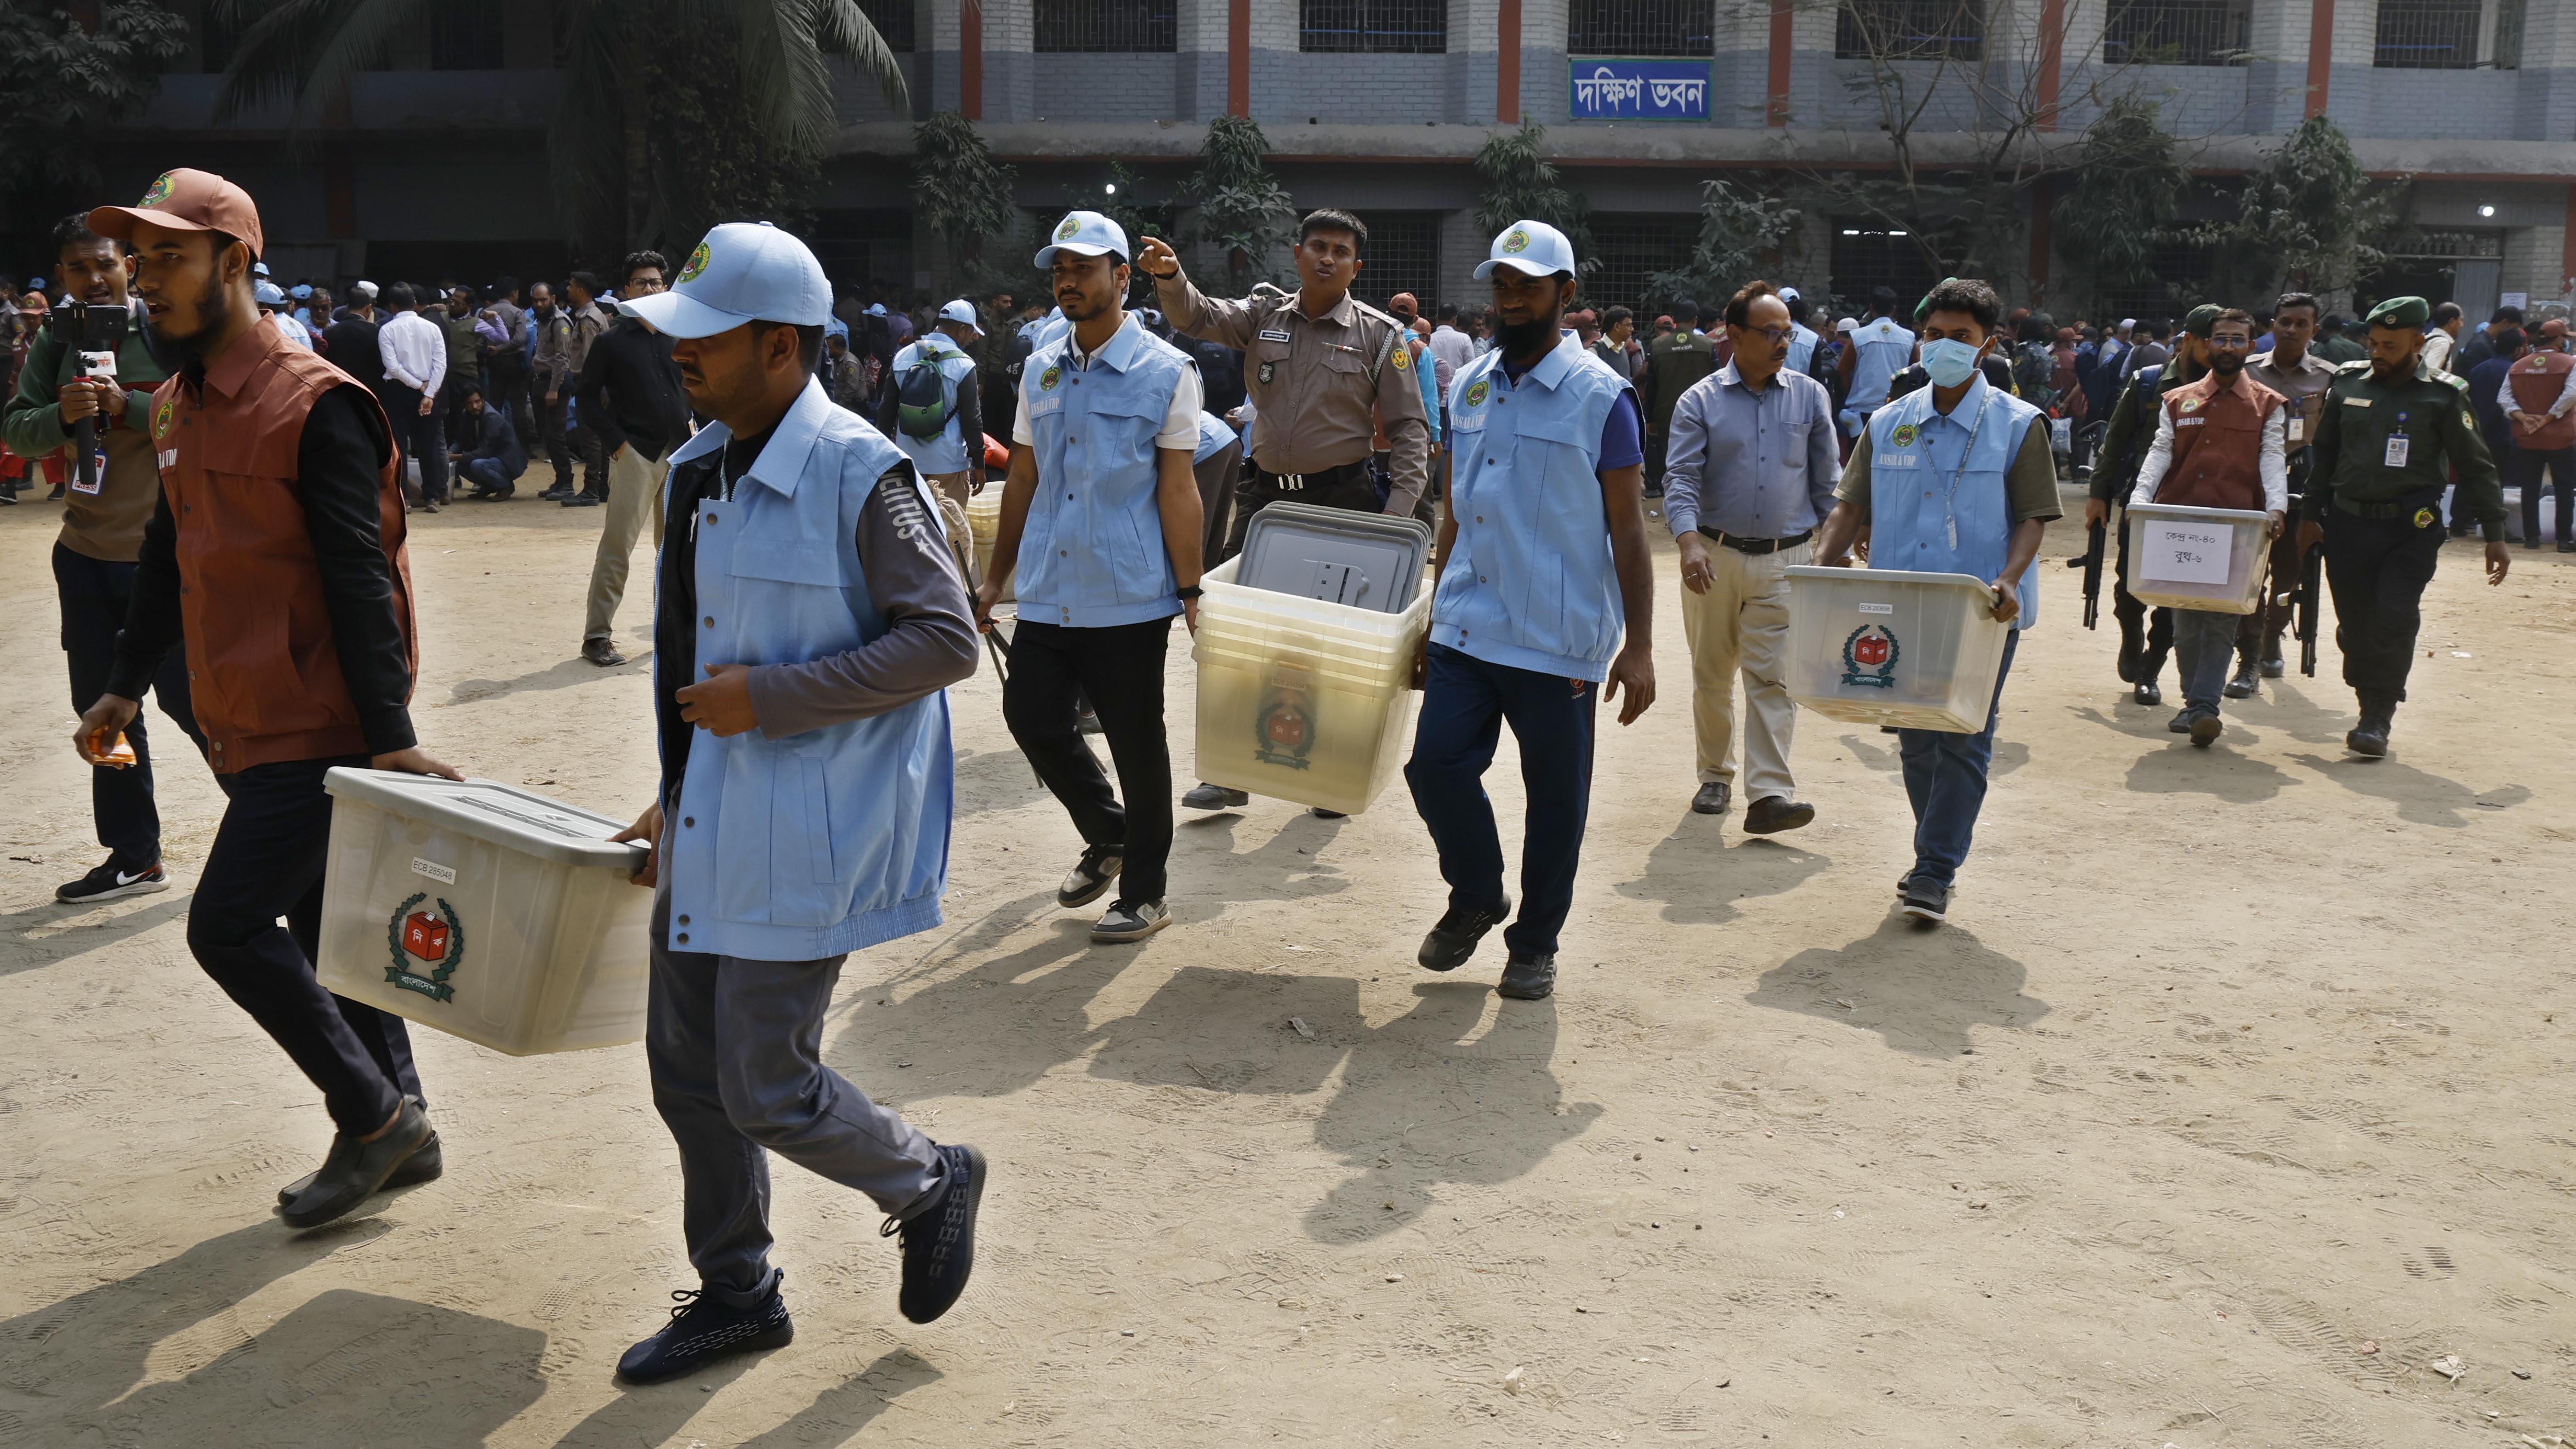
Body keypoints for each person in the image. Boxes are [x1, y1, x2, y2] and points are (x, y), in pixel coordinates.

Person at [598, 221, 986, 1384]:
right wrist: (670, 793)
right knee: (684, 1071)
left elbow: (945, 639)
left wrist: (768, 697)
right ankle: (737, 1289)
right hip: (712, 818)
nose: (683, 356)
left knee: (764, 1078)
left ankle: (927, 1176)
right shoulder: (694, 466)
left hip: (809, 827)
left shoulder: (861, 470)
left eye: (706, 340)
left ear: (781, 346)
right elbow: (686, 664)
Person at [73, 168, 457, 1228]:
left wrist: (388, 739)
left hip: (317, 721)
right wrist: (120, 684)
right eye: (139, 263)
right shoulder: (181, 405)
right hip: (243, 713)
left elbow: (361, 578)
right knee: (327, 921)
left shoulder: (315, 404)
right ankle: (403, 1117)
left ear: (236, 262)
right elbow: (166, 551)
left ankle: (373, 1117)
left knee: (229, 925)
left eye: (169, 260)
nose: (146, 283)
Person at [1406, 220, 1653, 1002]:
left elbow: (1627, 527)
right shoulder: (1468, 383)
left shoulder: (1601, 398)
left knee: (1555, 803)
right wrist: (1432, 608)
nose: (1510, 300)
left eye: (1528, 287)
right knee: (1434, 766)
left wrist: (1639, 645)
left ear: (1564, 294)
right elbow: (1453, 507)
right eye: (1502, 286)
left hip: (1555, 641)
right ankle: (1477, 891)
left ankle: (1534, 942)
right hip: (1467, 626)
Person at [1143, 208, 1429, 814]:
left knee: (1331, 641)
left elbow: (1408, 432)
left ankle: (1326, 772)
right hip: (1265, 499)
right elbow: (1197, 315)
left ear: (1357, 265)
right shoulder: (1262, 316)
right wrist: (1170, 275)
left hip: (1341, 502)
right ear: (1296, 253)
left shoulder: (1382, 337)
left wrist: (1396, 521)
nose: (1327, 258)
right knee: (1238, 632)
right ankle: (1230, 771)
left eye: (1341, 251)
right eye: (1317, 246)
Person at [979, 212, 1204, 942]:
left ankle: (1143, 892)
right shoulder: (1040, 369)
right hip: (1050, 586)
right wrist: (995, 579)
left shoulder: (1165, 372)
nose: (1066, 281)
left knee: (1139, 742)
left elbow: (1177, 489)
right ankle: (1108, 832)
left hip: (1128, 594)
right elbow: (1022, 478)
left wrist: (1192, 589)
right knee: (1031, 717)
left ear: (1120, 277)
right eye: (1057, 270)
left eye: (1082, 268)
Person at [1811, 277, 2056, 926]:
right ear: (1921, 341)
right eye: (1936, 335)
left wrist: (2008, 579)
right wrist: (1822, 563)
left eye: (1962, 337)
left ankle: (1934, 868)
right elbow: (1849, 505)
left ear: (1987, 345)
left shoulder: (2017, 423)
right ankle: (1933, 854)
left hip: (1980, 613)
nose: (1946, 346)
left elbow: (2033, 516)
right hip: (1902, 607)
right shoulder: (1890, 422)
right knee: (1916, 740)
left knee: (1964, 735)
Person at [5, 212, 204, 902]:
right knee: (103, 713)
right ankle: (134, 856)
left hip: (169, 562)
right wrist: (59, 417)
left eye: (106, 265)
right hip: (84, 555)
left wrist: (132, 406)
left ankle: (284, 830)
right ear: (60, 275)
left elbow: (215, 418)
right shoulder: (55, 343)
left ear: (132, 266)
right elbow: (17, 432)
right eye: (78, 268)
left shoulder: (168, 330)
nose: (94, 279)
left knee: (198, 705)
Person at [2299, 295, 2509, 757]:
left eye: (2389, 346)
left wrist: (2494, 533)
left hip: (2409, 529)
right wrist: (2309, 516)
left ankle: (2377, 717)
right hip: (2349, 526)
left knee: (2393, 619)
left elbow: (2476, 466)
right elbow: (2325, 456)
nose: (2377, 353)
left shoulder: (2443, 394)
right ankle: (2365, 691)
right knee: (2355, 628)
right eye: (2373, 343)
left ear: (2417, 342)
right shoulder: (2348, 384)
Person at [1660, 279, 1834, 830]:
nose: (1782, 342)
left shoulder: (1810, 396)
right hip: (1713, 557)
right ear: (1733, 335)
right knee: (1712, 672)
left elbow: (1828, 481)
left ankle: (1769, 795)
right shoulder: (1700, 401)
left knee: (1773, 677)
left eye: (1786, 332)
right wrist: (1687, 541)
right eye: (1769, 332)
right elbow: (1681, 478)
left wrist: (1837, 539)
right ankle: (1715, 775)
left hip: (1788, 559)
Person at [2125, 309, 2288, 745]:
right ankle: (2192, 701)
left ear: (2250, 347)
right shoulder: (2178, 400)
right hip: (2179, 524)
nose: (2228, 348)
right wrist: (2140, 498)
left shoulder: (2267, 405)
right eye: (2221, 339)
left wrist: (2277, 508)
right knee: (2183, 620)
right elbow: (2161, 450)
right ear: (2205, 344)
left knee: (2218, 620)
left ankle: (2202, 706)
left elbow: (2271, 458)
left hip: (2237, 528)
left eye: (2238, 340)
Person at [2087, 307, 2215, 705]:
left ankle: (2150, 667)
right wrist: (2098, 494)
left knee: (2174, 598)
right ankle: (2130, 637)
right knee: (2130, 585)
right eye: (2208, 341)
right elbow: (2116, 440)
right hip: (2143, 503)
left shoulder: (2228, 389)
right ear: (2188, 340)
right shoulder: (2148, 383)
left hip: (2198, 507)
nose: (2217, 350)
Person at [571, 250, 689, 667]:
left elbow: (697, 389)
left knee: (673, 549)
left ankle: (671, 633)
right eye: (642, 282)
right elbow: (586, 399)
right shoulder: (611, 342)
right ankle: (597, 637)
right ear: (626, 291)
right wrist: (618, 444)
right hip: (636, 453)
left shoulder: (680, 335)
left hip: (680, 454)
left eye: (657, 282)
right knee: (618, 547)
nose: (652, 288)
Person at [2241, 292, 2341, 681]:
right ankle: (2247, 646)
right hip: (2249, 483)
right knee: (2246, 570)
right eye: (2285, 322)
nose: (2292, 330)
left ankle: (2270, 636)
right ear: (2272, 326)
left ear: (2313, 330)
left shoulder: (2329, 377)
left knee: (2289, 572)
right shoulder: (2247, 372)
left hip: (2301, 482)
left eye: (2302, 324)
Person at [878, 298, 985, 517]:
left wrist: (883, 456)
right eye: (971, 333)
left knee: (913, 533)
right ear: (962, 329)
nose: (972, 339)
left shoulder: (902, 357)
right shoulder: (964, 365)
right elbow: (972, 420)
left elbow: (886, 409)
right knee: (950, 533)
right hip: (948, 465)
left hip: (908, 463)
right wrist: (979, 465)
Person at [2501, 316, 2575, 551]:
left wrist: (2523, 418)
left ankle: (2531, 538)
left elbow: (2503, 397)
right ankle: (2564, 540)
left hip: (2527, 436)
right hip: (2561, 438)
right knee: (2564, 488)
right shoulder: (2571, 364)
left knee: (2529, 488)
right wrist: (2549, 417)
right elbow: (2571, 394)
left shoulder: (2518, 365)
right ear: (2560, 339)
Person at [374, 283, 448, 509]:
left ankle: (403, 498)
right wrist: (428, 393)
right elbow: (441, 364)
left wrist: (418, 387)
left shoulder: (387, 329)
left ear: (392, 306)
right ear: (414, 303)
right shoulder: (432, 327)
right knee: (428, 444)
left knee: (399, 446)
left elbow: (393, 367)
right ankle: (433, 497)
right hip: (429, 391)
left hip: (398, 391)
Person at [1644, 303, 1718, 493]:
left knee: (1672, 463)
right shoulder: (1707, 346)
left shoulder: (1658, 346)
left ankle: (1674, 504)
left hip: (1667, 415)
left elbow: (1651, 386)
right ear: (1695, 320)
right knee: (1700, 461)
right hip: (1703, 414)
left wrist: (1650, 418)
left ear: (1674, 320)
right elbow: (1717, 385)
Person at [1835, 286, 1913, 440]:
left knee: (1859, 461)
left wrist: (1854, 392)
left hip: (1863, 410)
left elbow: (1842, 370)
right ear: (1894, 310)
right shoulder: (1909, 338)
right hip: (1897, 408)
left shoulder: (1858, 336)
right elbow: (1916, 370)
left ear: (1871, 308)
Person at [561, 270, 611, 502]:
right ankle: (602, 487)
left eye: (571, 285)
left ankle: (592, 488)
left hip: (591, 383)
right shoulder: (592, 315)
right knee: (598, 436)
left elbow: (592, 357)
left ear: (581, 290)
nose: (568, 289)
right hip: (596, 383)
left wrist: (588, 387)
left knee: (590, 436)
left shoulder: (588, 320)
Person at [526, 280, 575, 497]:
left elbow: (562, 359)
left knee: (556, 435)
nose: (539, 303)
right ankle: (559, 480)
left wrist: (554, 389)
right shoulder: (543, 321)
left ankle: (567, 483)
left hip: (555, 384)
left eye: (543, 299)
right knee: (547, 434)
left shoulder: (560, 322)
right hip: (541, 382)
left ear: (553, 299)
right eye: (536, 300)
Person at [446, 385, 527, 499]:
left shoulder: (492, 417)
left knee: (477, 465)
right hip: (490, 459)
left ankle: (506, 486)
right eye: (469, 403)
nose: (474, 407)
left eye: (477, 402)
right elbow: (460, 441)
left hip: (507, 461)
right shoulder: (466, 415)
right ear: (464, 405)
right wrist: (449, 453)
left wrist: (455, 457)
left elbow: (485, 452)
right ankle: (489, 486)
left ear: (483, 401)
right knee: (458, 466)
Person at [2456, 304, 2526, 375]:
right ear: (2505, 323)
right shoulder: (2480, 346)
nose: (2514, 334)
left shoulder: (2488, 342)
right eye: (2513, 329)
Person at [2421, 301, 2464, 375]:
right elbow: (2427, 374)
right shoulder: (2442, 343)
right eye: (2460, 320)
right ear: (2452, 322)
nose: (2462, 325)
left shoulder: (2429, 338)